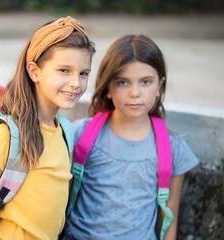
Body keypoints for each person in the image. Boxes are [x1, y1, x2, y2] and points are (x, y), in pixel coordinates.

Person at [0, 16, 95, 240]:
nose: (76, 83)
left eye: (83, 73)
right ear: (34, 72)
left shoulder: (65, 131)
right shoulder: (10, 134)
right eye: (64, 70)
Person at [61, 34, 199, 240]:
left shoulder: (173, 149)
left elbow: (169, 220)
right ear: (107, 87)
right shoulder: (80, 135)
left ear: (160, 86)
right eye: (123, 82)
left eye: (145, 82)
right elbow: (57, 205)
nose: (135, 93)